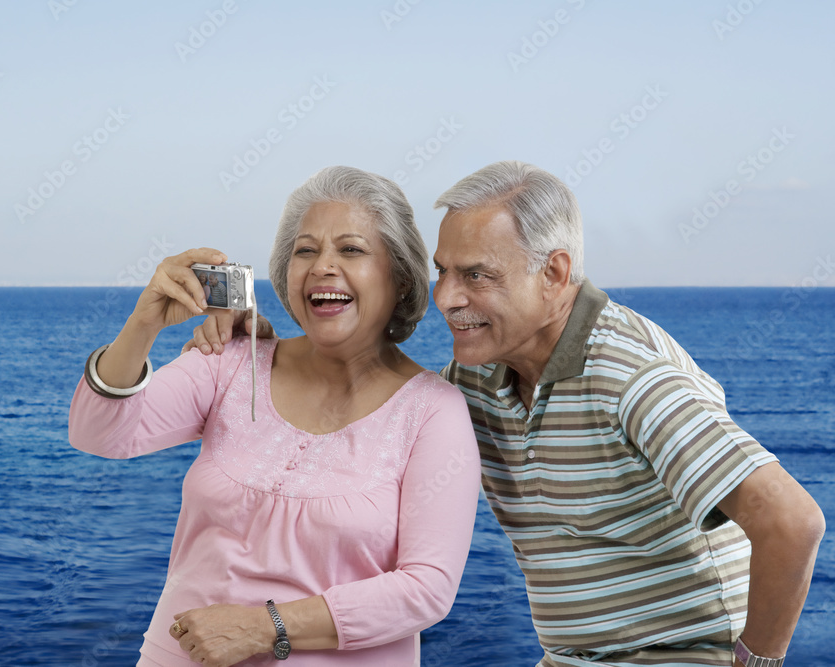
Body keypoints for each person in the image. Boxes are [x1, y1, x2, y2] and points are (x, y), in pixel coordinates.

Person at [188, 161, 826, 667]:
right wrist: (271, 349)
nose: (446, 298)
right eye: (441, 272)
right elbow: (375, 406)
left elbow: (792, 523)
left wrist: (755, 665)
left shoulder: (630, 380)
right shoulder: (477, 377)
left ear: (554, 273)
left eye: (476, 276)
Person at [68, 166, 481, 667]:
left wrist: (263, 627)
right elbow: (98, 434)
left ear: (399, 276)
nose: (322, 266)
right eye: (305, 251)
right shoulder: (231, 359)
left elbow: (426, 589)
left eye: (350, 250)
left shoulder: (434, 411)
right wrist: (144, 322)